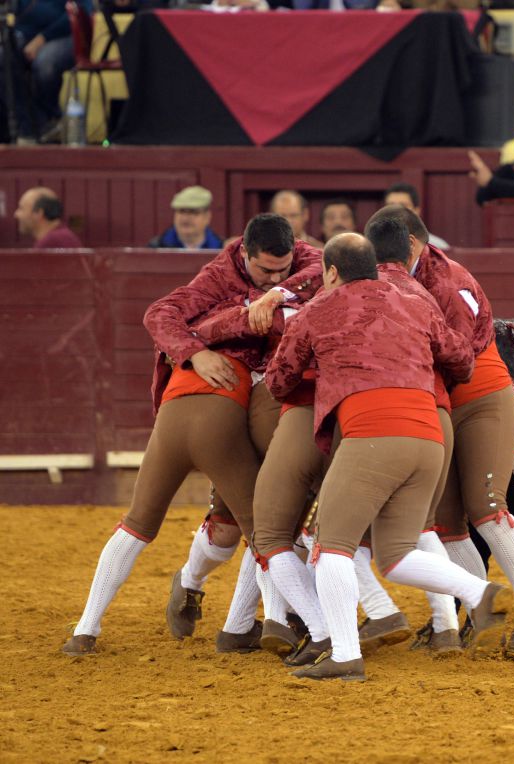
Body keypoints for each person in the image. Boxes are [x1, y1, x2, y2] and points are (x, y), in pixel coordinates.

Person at [61, 214, 323, 657]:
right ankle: (290, 622)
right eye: (265, 271)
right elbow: (161, 314)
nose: (276, 278)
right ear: (244, 255)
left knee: (159, 525)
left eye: (283, 269)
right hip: (233, 417)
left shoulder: (304, 263)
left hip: (184, 414)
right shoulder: (220, 278)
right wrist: (194, 351)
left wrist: (274, 293)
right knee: (268, 530)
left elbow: (314, 270)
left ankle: (89, 628)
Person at [264, 233, 514, 681]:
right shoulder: (415, 303)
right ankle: (480, 592)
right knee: (397, 552)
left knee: (329, 549)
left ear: (333, 272)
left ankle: (345, 655)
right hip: (430, 435)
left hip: (372, 435)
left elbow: (279, 382)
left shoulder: (318, 309)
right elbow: (461, 360)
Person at [365, 204, 514, 657]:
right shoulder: (398, 277)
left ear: (412, 243)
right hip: (435, 405)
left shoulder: (449, 282)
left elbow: (462, 358)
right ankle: (480, 609)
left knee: (486, 505)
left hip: (478, 397)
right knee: (446, 521)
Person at [0, 0, 90, 143]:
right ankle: (28, 126)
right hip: (24, 34)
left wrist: (43, 38)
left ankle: (49, 118)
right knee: (3, 57)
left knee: (45, 62)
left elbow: (82, 11)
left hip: (67, 35)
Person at [149, 186, 224, 250]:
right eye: (181, 211)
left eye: (193, 212)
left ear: (207, 217)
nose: (185, 218)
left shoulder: (222, 250)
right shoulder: (156, 247)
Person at [383, 182, 451, 250]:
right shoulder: (374, 244)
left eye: (403, 205)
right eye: (390, 206)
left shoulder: (437, 246)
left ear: (416, 211)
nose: (396, 210)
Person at [13, 187, 82, 248]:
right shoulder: (63, 236)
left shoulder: (50, 242)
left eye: (21, 208)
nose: (16, 214)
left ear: (39, 213)